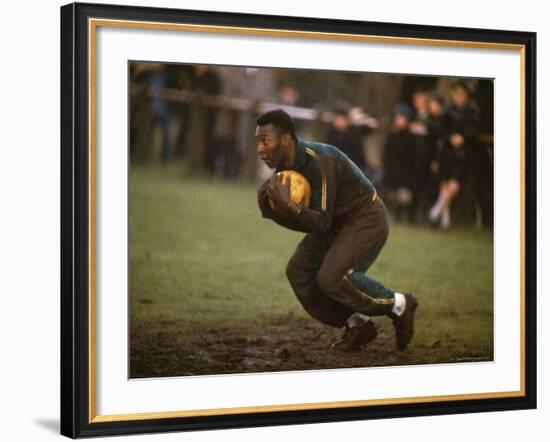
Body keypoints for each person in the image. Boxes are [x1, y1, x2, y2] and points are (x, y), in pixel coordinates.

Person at [255, 109, 418, 352]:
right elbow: (310, 223)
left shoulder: (320, 160)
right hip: (333, 225)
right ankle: (357, 325)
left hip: (364, 219)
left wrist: (288, 206)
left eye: (265, 140)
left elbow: (320, 222)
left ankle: (400, 304)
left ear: (286, 139)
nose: (259, 148)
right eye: (257, 141)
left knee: (332, 277)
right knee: (298, 271)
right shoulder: (284, 173)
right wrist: (272, 210)